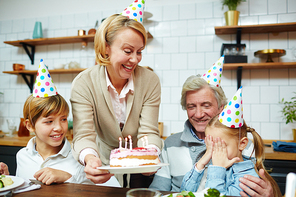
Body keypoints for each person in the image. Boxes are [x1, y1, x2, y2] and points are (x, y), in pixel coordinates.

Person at [149, 57, 274, 197]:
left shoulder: (241, 145)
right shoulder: (171, 144)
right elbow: (157, 191)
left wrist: (270, 194)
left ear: (221, 107)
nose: (198, 114)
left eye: (206, 105)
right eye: (191, 106)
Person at [70, 0, 162, 187]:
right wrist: (90, 158)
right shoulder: (84, 83)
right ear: (106, 47)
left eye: (139, 51)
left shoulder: (150, 81)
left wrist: (150, 155)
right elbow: (84, 135)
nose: (135, 59)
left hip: (139, 166)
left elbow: (148, 131)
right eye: (128, 51)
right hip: (101, 163)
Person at [180, 88, 281, 196]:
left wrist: (218, 170)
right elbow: (184, 192)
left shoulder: (247, 178)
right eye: (211, 145)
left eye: (221, 146)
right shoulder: (213, 165)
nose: (216, 152)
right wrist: (201, 163)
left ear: (242, 144)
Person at [15, 59, 92, 185]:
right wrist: (8, 179)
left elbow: (91, 193)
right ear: (30, 125)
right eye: (49, 121)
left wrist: (68, 178)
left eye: (63, 119)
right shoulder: (22, 156)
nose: (59, 128)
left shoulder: (79, 157)